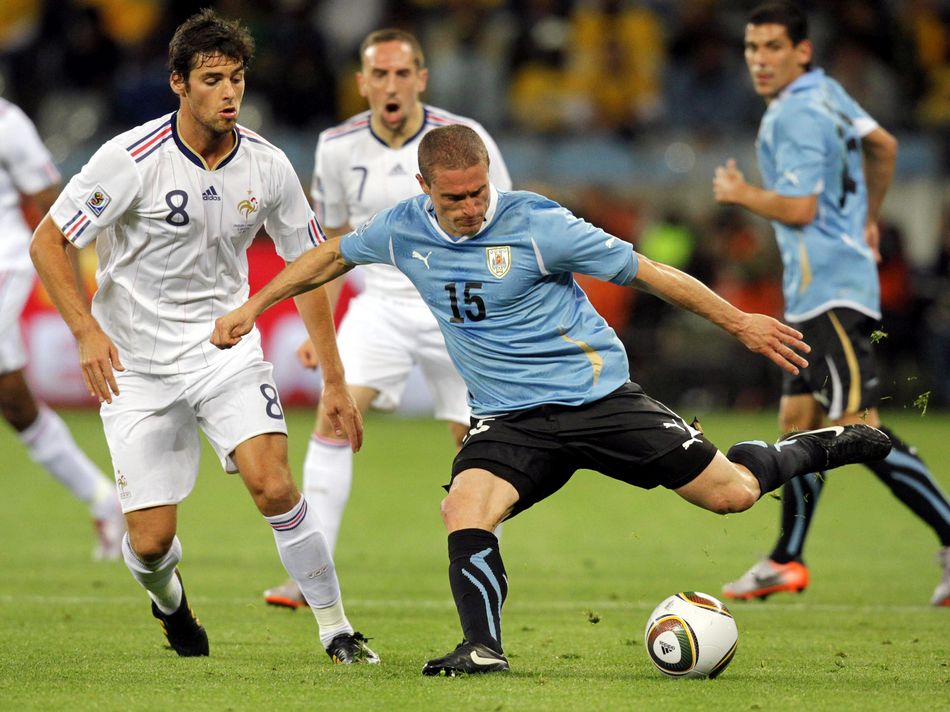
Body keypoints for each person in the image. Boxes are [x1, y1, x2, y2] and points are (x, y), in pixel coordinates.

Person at [212, 124, 891, 675]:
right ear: (425, 191)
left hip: (598, 400)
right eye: (456, 199)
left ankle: (825, 445)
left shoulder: (540, 224)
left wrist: (739, 322)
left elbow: (651, 273)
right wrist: (256, 304)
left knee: (733, 494)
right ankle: (483, 647)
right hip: (511, 421)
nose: (473, 207)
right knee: (463, 506)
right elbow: (330, 256)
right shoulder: (402, 228)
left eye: (480, 192)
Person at [29, 9, 378, 662]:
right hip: (135, 366)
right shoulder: (129, 161)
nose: (228, 93)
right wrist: (85, 330)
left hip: (224, 351)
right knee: (153, 541)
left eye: (237, 79)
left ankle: (336, 628)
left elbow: (313, 265)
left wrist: (334, 378)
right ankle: (170, 604)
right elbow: (49, 240)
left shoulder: (269, 168)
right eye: (213, 79)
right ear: (178, 84)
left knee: (274, 485)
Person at [262, 28, 512, 610]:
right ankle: (309, 574)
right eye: (380, 74)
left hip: (458, 307)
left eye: (403, 73)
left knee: (473, 442)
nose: (392, 85)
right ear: (362, 82)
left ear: (422, 78)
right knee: (332, 416)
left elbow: (504, 222)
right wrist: (316, 328)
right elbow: (332, 243)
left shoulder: (464, 140)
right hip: (381, 303)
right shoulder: (337, 146)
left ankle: (482, 576)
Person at [713, 1, 950, 607]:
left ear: (802, 51)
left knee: (859, 430)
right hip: (822, 290)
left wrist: (741, 193)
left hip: (831, 294)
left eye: (772, 48)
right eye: (751, 48)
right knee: (799, 425)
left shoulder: (792, 115)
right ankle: (785, 560)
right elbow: (887, 147)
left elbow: (802, 208)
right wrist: (868, 221)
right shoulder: (828, 94)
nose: (759, 61)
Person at [0, 97, 125, 560]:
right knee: (14, 401)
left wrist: (78, 310)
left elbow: (59, 214)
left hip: (5, 261)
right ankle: (104, 499)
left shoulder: (8, 123)